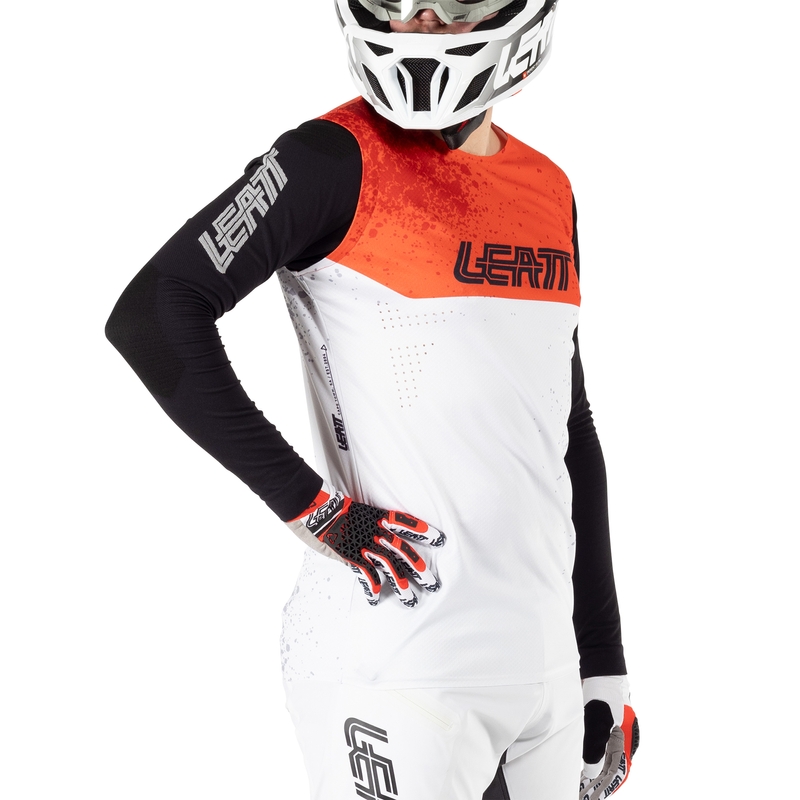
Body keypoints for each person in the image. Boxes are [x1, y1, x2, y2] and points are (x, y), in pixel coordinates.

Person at [105, 1, 639, 798]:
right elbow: (154, 315)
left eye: (453, 0)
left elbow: (569, 429)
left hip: (543, 667)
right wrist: (314, 510)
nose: (419, 18)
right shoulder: (329, 160)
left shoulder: (549, 189)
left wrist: (602, 660)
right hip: (395, 659)